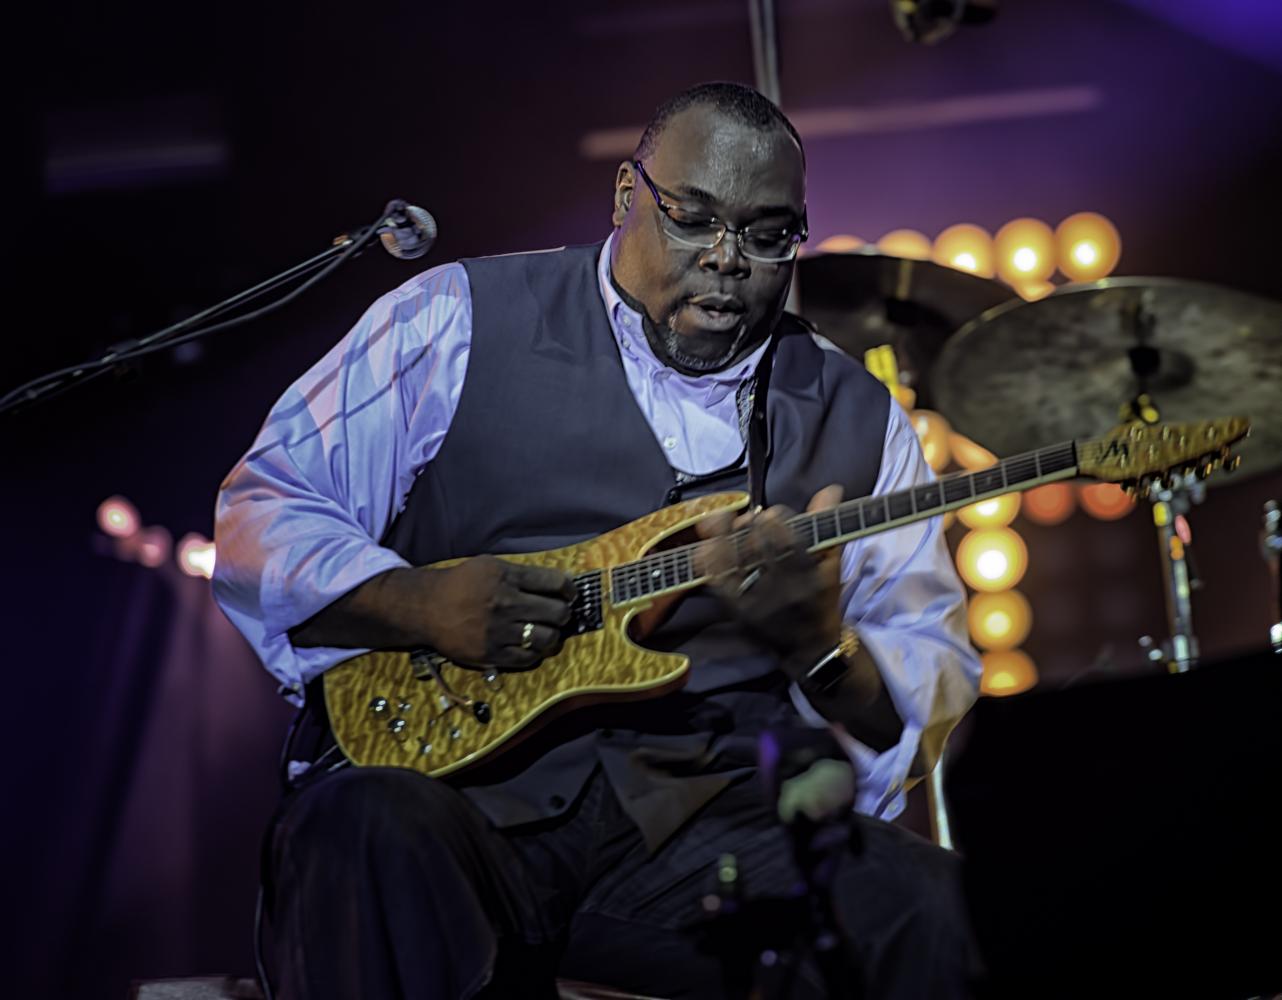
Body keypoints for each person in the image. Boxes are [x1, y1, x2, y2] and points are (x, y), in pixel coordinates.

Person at [213, 81, 982, 1000]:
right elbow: (266, 509)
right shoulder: (456, 318)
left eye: (769, 234)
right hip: (462, 812)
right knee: (360, 826)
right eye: (695, 219)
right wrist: (416, 601)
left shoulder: (860, 417)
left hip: (701, 837)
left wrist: (819, 649)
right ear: (627, 195)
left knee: (931, 910)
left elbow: (917, 690)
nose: (729, 260)